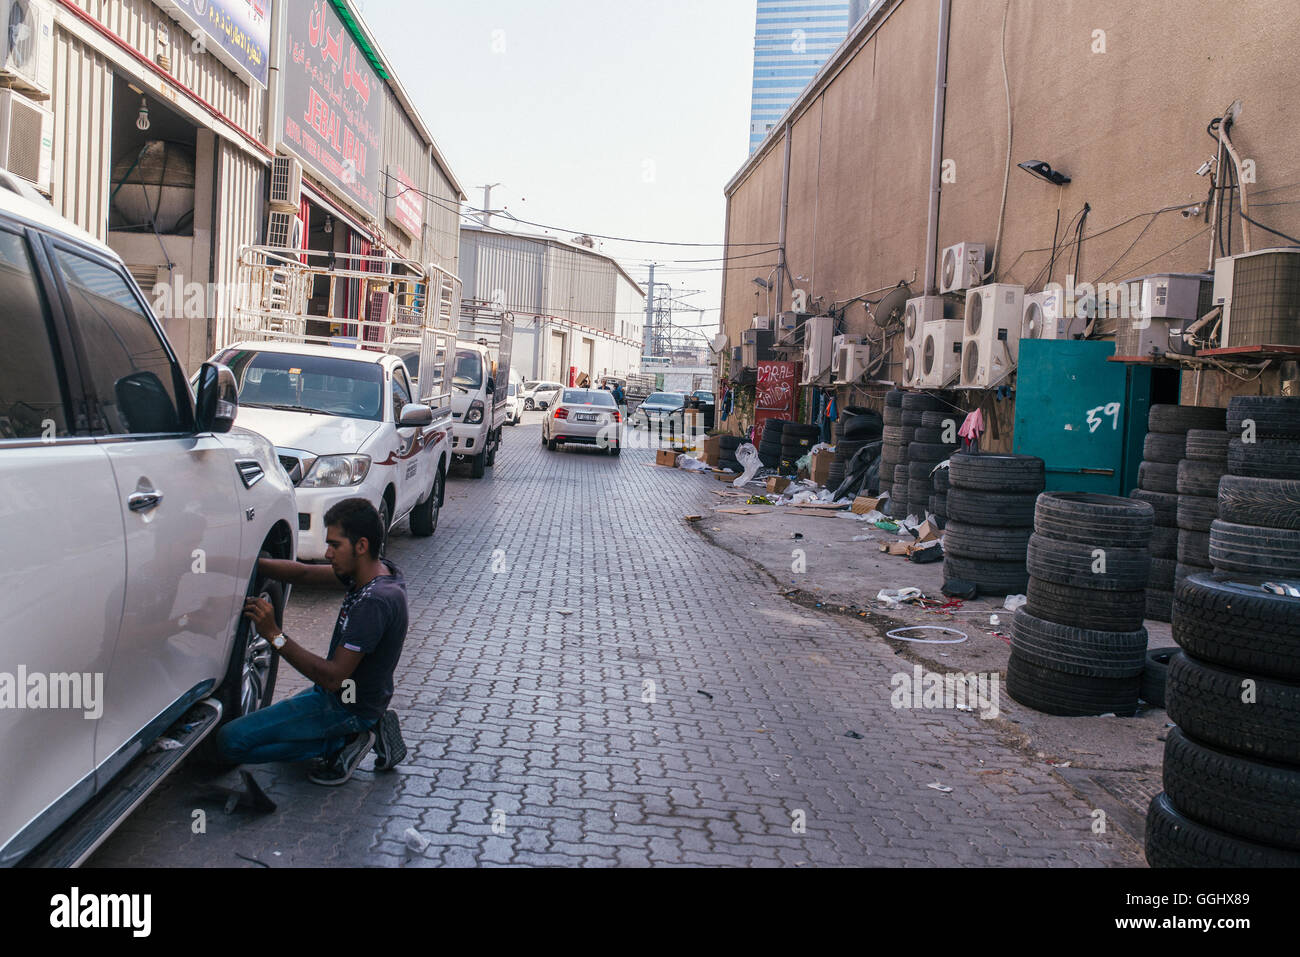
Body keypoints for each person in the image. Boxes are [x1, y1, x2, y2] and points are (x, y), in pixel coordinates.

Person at [214, 498, 409, 786]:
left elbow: (332, 678)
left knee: (231, 743)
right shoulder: (372, 573)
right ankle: (366, 725)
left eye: (334, 545)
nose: (328, 553)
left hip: (345, 705)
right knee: (260, 733)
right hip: (350, 696)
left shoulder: (374, 603)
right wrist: (245, 564)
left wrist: (273, 635)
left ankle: (344, 742)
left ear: (361, 546)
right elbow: (303, 573)